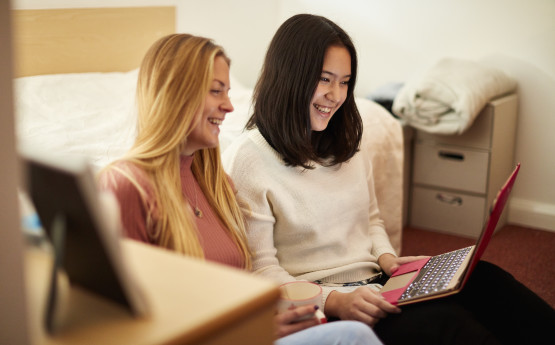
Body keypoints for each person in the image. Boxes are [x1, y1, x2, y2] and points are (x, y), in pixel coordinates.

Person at [222, 14, 555, 345]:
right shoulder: (249, 158)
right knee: (448, 326)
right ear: (290, 77)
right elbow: (262, 271)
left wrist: (387, 259)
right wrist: (335, 300)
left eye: (345, 81)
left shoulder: (345, 141)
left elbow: (371, 220)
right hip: (329, 306)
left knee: (486, 279)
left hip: (379, 283)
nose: (336, 96)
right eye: (324, 79)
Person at [98, 33, 383, 345]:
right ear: (175, 94)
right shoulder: (125, 186)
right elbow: (127, 327)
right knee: (354, 336)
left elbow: (242, 280)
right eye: (216, 91)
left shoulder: (214, 182)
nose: (230, 106)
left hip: (245, 331)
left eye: (228, 91)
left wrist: (268, 320)